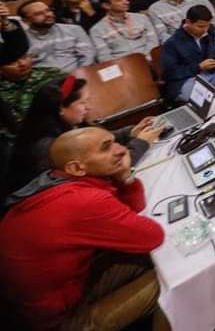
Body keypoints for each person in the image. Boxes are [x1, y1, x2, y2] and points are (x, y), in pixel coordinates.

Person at [0, 127, 165, 330]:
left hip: (55, 293)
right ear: (76, 168)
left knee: (156, 257)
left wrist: (125, 176)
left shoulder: (54, 181)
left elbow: (133, 212)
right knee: (169, 281)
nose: (121, 150)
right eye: (106, 148)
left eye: (114, 141)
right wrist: (125, 177)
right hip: (57, 321)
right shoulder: (82, 201)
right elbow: (153, 236)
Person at [9, 76, 162, 192]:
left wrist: (130, 132)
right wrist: (142, 143)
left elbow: (95, 144)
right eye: (83, 103)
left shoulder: (62, 125)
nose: (89, 107)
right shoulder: (48, 146)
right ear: (60, 108)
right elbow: (103, 172)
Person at [19, 1, 96, 73]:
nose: (47, 15)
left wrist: (80, 75)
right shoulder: (21, 40)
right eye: (39, 14)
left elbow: (88, 55)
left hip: (80, 75)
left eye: (48, 10)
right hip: (45, 82)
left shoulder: (74, 29)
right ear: (26, 21)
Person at [89, 0, 158, 62]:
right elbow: (104, 56)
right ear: (106, 6)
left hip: (150, 60)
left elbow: (153, 42)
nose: (126, 2)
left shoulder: (142, 18)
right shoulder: (97, 30)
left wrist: (145, 59)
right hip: (122, 66)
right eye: (119, 0)